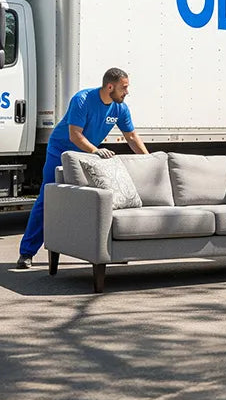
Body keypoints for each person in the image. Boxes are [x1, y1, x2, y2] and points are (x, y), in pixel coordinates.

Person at [15, 67, 148, 268]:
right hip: (60, 152)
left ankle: (110, 251)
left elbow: (131, 136)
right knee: (48, 199)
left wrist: (148, 159)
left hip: (88, 155)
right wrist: (95, 151)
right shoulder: (82, 100)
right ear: (110, 87)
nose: (127, 92)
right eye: (124, 87)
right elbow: (74, 135)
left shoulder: (120, 108)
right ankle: (26, 253)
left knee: (98, 201)